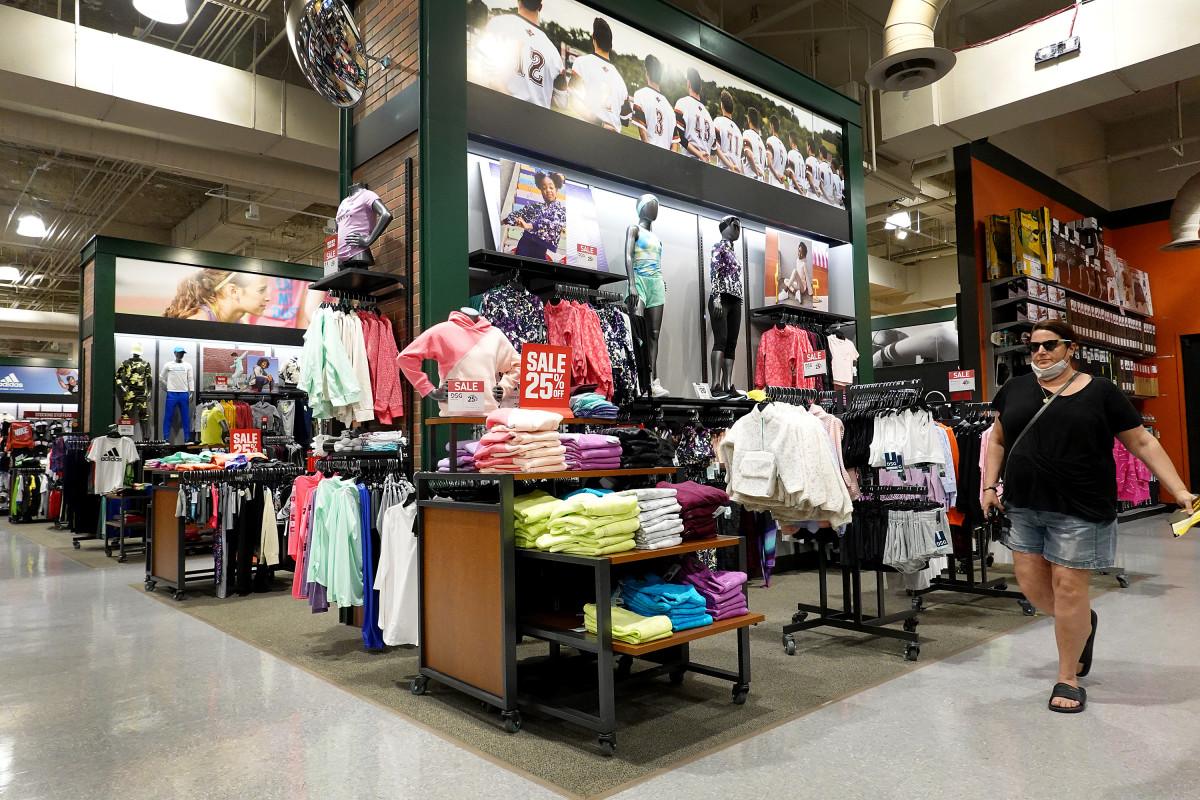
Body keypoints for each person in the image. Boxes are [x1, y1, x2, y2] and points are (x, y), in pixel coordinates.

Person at [981, 320, 1195, 713]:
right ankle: (1082, 623)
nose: (1040, 353)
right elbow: (997, 439)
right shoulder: (1015, 388)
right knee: (1032, 587)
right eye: (1034, 347)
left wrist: (1179, 490)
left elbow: (1142, 441)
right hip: (1024, 505)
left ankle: (1068, 676)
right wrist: (988, 486)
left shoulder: (1101, 391)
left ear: (1071, 348)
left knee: (1068, 589)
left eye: (1050, 345)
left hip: (1080, 507)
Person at [475, 0, 567, 109]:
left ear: (519, 2)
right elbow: (562, 102)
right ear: (540, 7)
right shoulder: (554, 52)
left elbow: (484, 71)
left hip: (498, 112)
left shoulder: (499, 23)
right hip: (536, 118)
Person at [567, 17, 628, 132]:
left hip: (586, 133)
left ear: (593, 38)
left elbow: (573, 102)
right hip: (613, 139)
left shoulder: (582, 63)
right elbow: (625, 120)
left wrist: (601, 123)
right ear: (610, 44)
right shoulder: (621, 81)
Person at [502, 171, 567, 261]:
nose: (548, 190)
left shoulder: (560, 211)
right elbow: (520, 213)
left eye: (551, 187)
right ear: (541, 191)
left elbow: (551, 223)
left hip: (540, 249)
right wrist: (505, 221)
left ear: (556, 189)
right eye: (544, 188)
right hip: (524, 244)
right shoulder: (536, 207)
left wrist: (529, 225)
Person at [164, 269, 270, 323]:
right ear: (233, 291)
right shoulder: (200, 321)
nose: (268, 298)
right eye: (261, 290)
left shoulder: (240, 324)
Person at [631, 55, 677, 150]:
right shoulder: (669, 108)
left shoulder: (640, 94)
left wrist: (650, 154)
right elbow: (675, 144)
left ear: (647, 73)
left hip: (647, 155)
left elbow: (643, 133)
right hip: (664, 157)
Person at [674, 67, 715, 161]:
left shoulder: (682, 103)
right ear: (700, 88)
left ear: (688, 83)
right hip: (705, 164)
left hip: (688, 161)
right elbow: (713, 148)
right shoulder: (708, 116)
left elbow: (679, 136)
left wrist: (698, 153)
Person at [712, 90, 743, 172]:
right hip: (736, 172)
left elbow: (715, 148)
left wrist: (730, 165)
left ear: (721, 105)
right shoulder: (739, 131)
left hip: (723, 170)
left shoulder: (718, 121)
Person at [740, 107, 766, 180]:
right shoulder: (761, 142)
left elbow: (749, 154)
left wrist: (756, 172)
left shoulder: (747, 133)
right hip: (760, 180)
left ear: (749, 119)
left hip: (751, 177)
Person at [764, 115, 787, 188]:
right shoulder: (784, 147)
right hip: (782, 186)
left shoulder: (770, 140)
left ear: (772, 125)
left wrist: (777, 177)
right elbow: (785, 172)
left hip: (773, 183)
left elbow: (769, 163)